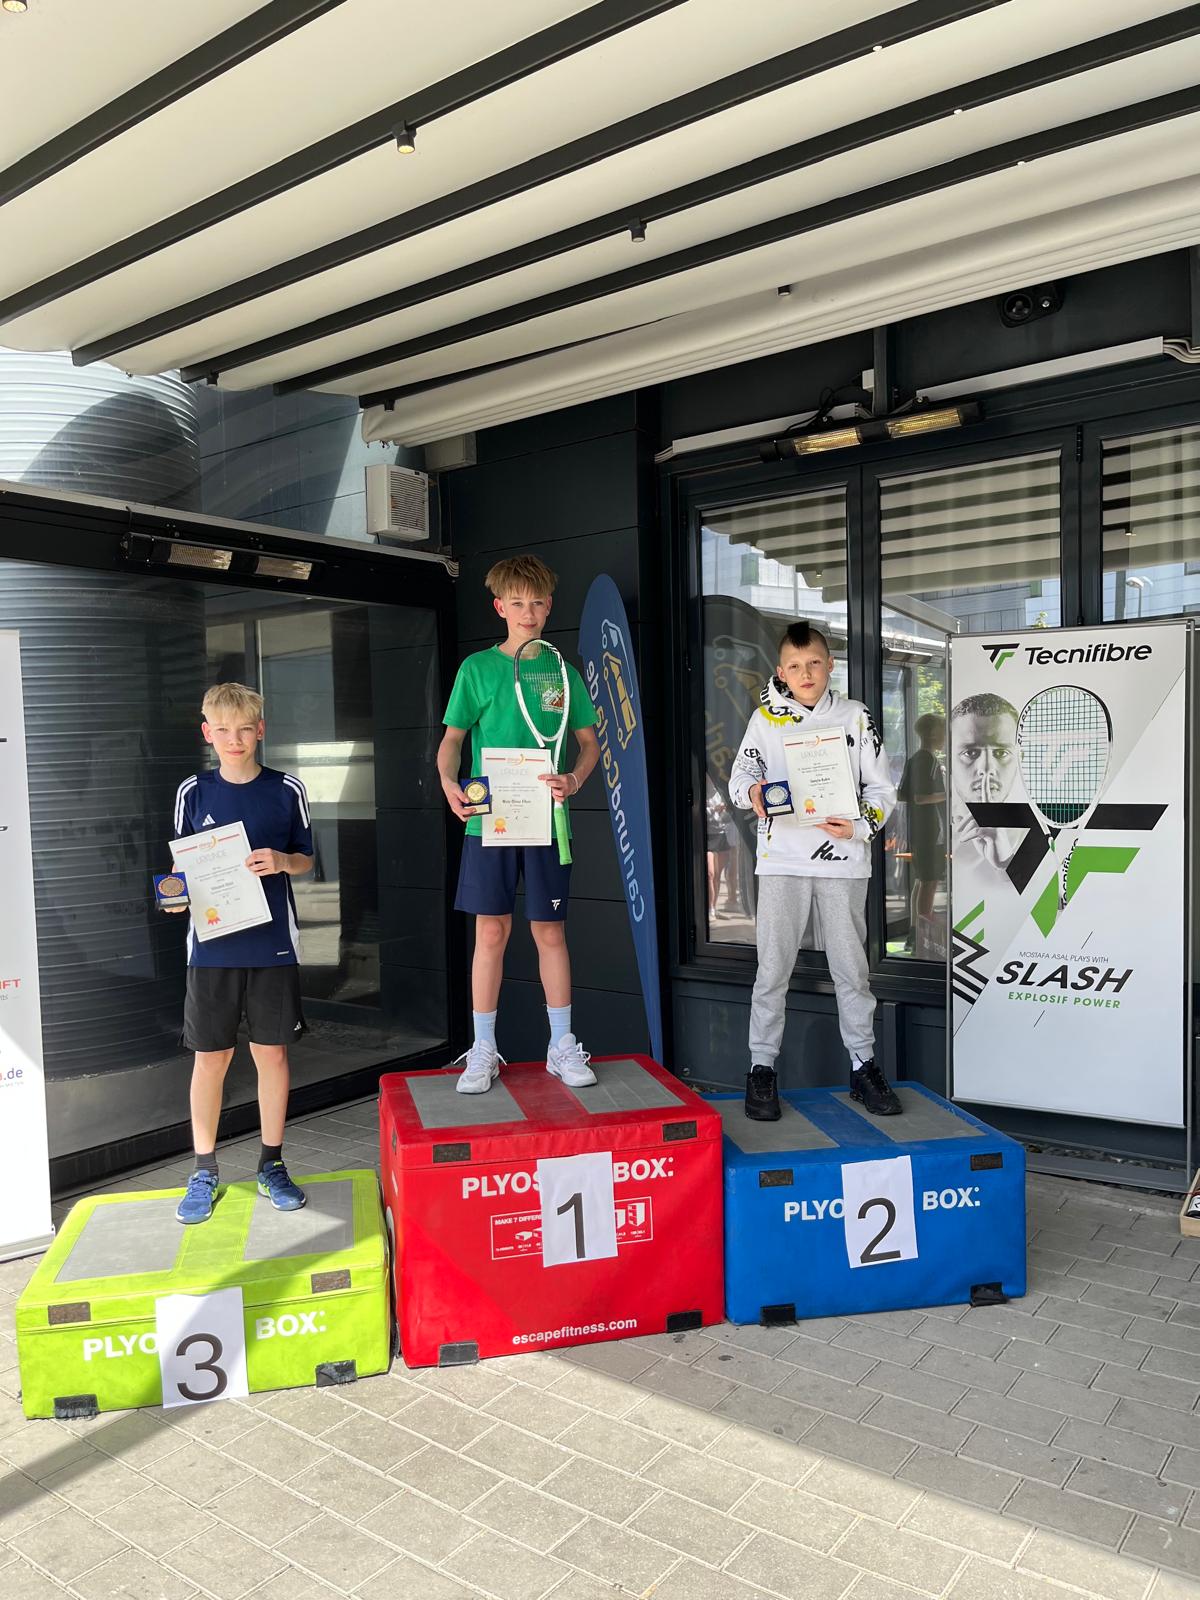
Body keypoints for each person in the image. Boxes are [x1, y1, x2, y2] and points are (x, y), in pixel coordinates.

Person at [437, 555, 601, 1093]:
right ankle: (483, 1048)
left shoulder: (562, 673)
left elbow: (588, 744)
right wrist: (449, 782)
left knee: (550, 932)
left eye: (537, 603)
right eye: (517, 603)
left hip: (548, 820)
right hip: (490, 820)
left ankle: (561, 1045)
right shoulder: (477, 669)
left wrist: (573, 780)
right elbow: (452, 740)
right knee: (491, 931)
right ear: (499, 607)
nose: (528, 612)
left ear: (549, 606)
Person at [729, 622, 899, 1121]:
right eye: (796, 666)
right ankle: (761, 1068)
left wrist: (860, 825)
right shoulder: (764, 720)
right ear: (781, 671)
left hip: (843, 861)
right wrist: (754, 792)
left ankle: (863, 1064)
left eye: (815, 663)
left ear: (830, 665)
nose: (806, 674)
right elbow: (742, 777)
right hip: (782, 860)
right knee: (772, 969)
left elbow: (883, 789)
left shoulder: (855, 716)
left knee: (852, 970)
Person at [167, 683, 314, 1224]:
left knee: (271, 1055)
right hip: (212, 948)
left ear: (261, 731)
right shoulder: (192, 792)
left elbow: (306, 859)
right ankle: (203, 1170)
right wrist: (174, 897)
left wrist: (282, 861)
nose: (235, 739)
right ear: (207, 733)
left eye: (245, 729)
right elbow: (179, 870)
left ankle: (271, 1164)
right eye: (224, 730)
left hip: (273, 944)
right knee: (211, 1058)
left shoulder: (287, 789)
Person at [949, 692, 1021, 888]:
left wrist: (1004, 862)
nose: (987, 769)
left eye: (1001, 752)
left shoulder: (1035, 830)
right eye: (970, 752)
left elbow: (1039, 896)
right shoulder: (935, 829)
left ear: (1019, 759)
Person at [897, 712, 945, 947]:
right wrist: (948, 794)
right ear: (934, 734)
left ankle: (915, 932)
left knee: (922, 880)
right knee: (929, 881)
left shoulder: (915, 759)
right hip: (929, 831)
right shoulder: (928, 761)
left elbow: (902, 794)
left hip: (919, 829)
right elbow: (919, 797)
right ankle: (921, 937)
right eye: (943, 731)